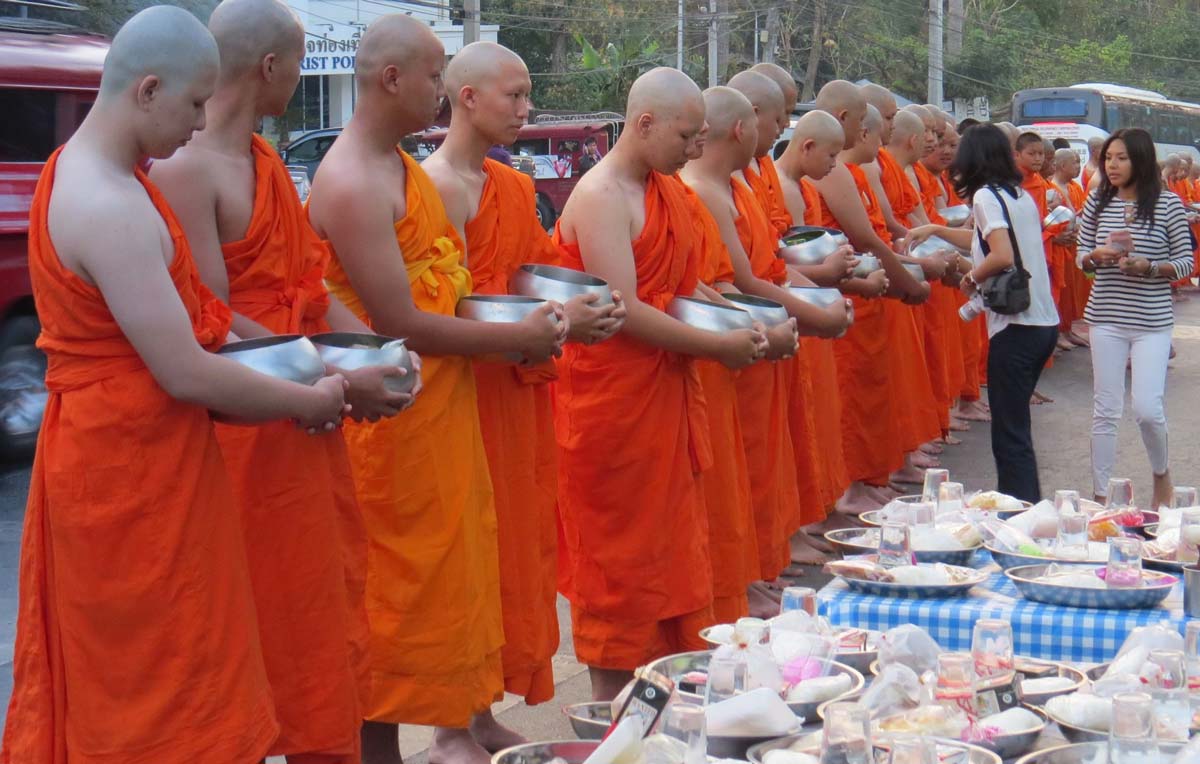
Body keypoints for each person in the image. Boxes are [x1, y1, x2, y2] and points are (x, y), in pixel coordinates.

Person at [3, 6, 352, 761]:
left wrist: (327, 363)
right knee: (154, 692)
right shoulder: (107, 202)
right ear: (149, 90)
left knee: (187, 669)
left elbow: (204, 318)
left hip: (150, 463)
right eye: (194, 105)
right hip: (125, 475)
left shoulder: (104, 176)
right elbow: (187, 368)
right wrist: (313, 399)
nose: (198, 125)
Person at [305, 15, 566, 764]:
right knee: (391, 601)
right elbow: (400, 324)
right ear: (392, 80)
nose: (440, 90)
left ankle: (460, 716)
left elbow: (444, 295)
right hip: (391, 424)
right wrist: (520, 337)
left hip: (437, 412)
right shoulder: (353, 178)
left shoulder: (402, 171)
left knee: (452, 579)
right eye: (432, 77)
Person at [149, 1, 406, 759]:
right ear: (270, 68)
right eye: (297, 64)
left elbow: (306, 283)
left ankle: (320, 739)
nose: (298, 78)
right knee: (256, 611)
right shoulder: (190, 170)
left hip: (305, 408)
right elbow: (211, 320)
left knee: (317, 606)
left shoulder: (266, 162)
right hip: (249, 430)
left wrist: (372, 352)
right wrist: (327, 366)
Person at [421, 41, 626, 724]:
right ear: (467, 98)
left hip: (517, 395)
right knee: (463, 554)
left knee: (513, 552)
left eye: (528, 93)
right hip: (461, 396)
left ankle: (478, 710)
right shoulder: (435, 187)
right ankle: (453, 720)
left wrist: (583, 309)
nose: (526, 108)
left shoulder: (511, 185)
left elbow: (533, 274)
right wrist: (547, 319)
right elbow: (442, 305)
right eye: (514, 95)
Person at [551, 67, 765, 701]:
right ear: (643, 123)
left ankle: (668, 696)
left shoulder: (668, 192)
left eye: (702, 137)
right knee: (620, 565)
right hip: (612, 412)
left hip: (665, 402)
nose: (697, 149)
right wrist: (719, 346)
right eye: (686, 136)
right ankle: (611, 709)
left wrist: (743, 320)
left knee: (673, 552)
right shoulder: (600, 195)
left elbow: (681, 287)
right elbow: (626, 312)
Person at [677, 86, 796, 616]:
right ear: (741, 128)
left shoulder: (729, 186)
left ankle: (752, 571)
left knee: (756, 465)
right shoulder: (695, 190)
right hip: (717, 345)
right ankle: (734, 583)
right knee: (729, 476)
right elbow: (715, 283)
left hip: (741, 334)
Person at [909, 124, 1059, 503]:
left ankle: (1018, 509)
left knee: (1009, 434)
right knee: (1016, 428)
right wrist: (936, 229)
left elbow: (1001, 255)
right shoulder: (1018, 196)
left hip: (1017, 327)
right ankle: (1025, 503)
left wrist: (971, 279)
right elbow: (985, 240)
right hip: (1042, 323)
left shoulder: (986, 198)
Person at [726, 69, 836, 563]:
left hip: (770, 317)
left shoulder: (753, 178)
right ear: (746, 120)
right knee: (748, 452)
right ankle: (757, 560)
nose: (781, 128)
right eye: (779, 117)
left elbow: (768, 255)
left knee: (781, 438)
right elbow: (737, 277)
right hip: (743, 328)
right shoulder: (713, 185)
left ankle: (775, 544)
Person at [1077, 127, 1194, 509]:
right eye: (1108, 158)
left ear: (1140, 159)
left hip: (1151, 321)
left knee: (1147, 408)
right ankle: (1099, 497)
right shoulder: (1096, 201)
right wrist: (1096, 257)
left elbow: (1186, 263)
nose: (1112, 165)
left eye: (1121, 158)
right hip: (1106, 316)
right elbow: (1082, 257)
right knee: (1105, 408)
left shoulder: (1169, 205)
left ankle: (1162, 475)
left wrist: (1150, 267)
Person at [1048, 147, 1091, 348]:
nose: (1078, 166)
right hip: (1059, 248)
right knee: (1061, 292)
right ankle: (1058, 333)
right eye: (1075, 162)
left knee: (1072, 291)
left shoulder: (1073, 187)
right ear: (1063, 165)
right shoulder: (1052, 189)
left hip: (1074, 245)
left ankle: (1067, 328)